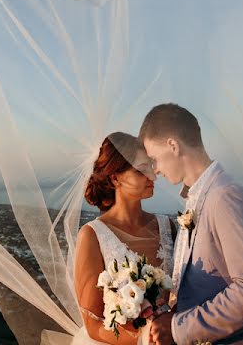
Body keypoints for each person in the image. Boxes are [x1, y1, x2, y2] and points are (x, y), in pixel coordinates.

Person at [139, 104, 243, 345]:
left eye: (154, 160)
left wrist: (178, 329)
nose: (156, 171)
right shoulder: (196, 199)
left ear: (173, 146)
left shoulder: (225, 197)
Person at [72, 132, 176, 345]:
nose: (152, 176)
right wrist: (146, 339)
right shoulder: (93, 236)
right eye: (141, 170)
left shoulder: (169, 227)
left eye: (151, 167)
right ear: (115, 177)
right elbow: (93, 324)